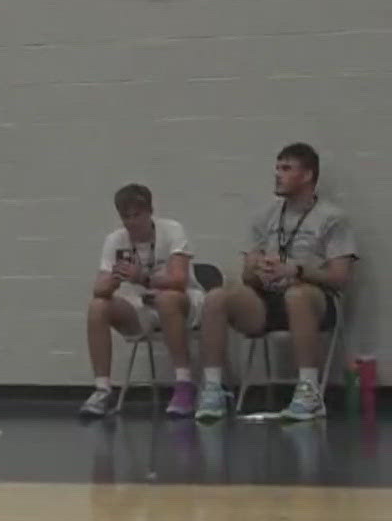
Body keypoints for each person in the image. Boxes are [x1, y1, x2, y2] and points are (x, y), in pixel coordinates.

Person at [197, 143, 357, 422]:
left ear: (307, 175)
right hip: (266, 299)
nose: (277, 174)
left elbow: (340, 278)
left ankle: (309, 391)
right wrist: (256, 268)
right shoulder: (265, 215)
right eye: (277, 167)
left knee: (297, 295)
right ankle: (213, 388)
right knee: (216, 297)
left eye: (286, 168)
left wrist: (294, 270)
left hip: (314, 298)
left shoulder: (332, 217)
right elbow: (247, 273)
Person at [81, 184, 202, 418]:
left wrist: (142, 277)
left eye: (137, 215)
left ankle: (184, 383)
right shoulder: (116, 240)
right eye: (125, 217)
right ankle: (102, 389)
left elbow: (179, 279)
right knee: (98, 306)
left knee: (167, 299)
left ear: (150, 212)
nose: (131, 222)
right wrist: (114, 279)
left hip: (183, 302)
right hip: (144, 306)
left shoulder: (171, 230)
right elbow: (99, 289)